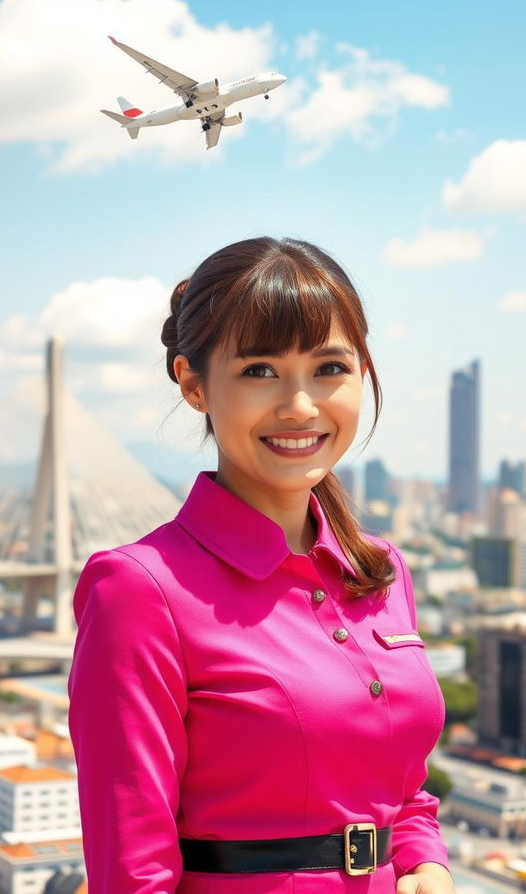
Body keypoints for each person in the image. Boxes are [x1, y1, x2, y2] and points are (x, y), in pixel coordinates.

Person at [67, 236, 456, 894]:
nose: (300, 405)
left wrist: (423, 860)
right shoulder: (140, 591)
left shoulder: (380, 570)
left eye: (329, 368)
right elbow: (132, 866)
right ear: (193, 384)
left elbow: (399, 783)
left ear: (363, 371)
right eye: (260, 371)